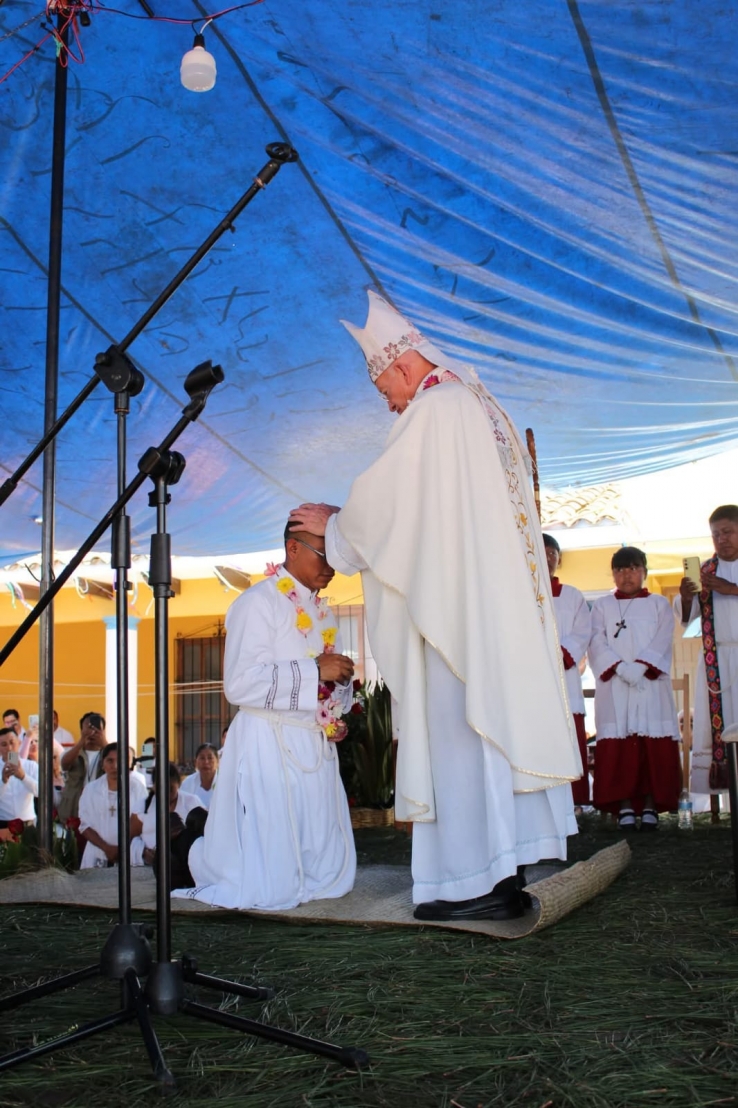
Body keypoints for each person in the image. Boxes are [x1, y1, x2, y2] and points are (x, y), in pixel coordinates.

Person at [289, 291, 580, 922]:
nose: (386, 402)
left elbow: (387, 509)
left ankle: (468, 885)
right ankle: (502, 876)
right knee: (487, 746)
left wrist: (335, 526)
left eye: (382, 388)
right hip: (491, 614)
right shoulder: (480, 404)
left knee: (460, 739)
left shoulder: (435, 410)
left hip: (458, 621)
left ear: (400, 366)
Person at [176, 524, 357, 910]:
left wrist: (334, 705)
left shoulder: (322, 611)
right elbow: (239, 685)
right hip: (268, 741)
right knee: (267, 880)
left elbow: (327, 678)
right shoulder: (256, 603)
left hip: (311, 741)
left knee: (326, 871)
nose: (332, 566)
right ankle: (187, 849)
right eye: (323, 553)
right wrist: (314, 671)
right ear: (293, 548)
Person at [588, 547, 680, 829]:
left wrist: (640, 667)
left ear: (644, 572)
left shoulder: (658, 604)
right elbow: (595, 641)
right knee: (621, 749)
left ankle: (651, 804)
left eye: (633, 568)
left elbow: (664, 638)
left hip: (649, 684)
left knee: (651, 746)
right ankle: (625, 805)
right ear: (613, 574)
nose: (626, 574)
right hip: (615, 686)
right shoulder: (602, 606)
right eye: (620, 569)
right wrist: (619, 667)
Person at [675, 505, 738, 796]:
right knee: (718, 730)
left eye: (727, 532)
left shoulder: (719, 579)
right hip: (716, 664)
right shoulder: (705, 572)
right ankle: (722, 803)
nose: (722, 539)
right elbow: (691, 623)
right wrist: (687, 598)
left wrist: (731, 588)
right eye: (716, 535)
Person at [543, 534, 593, 808]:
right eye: (542, 551)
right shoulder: (517, 591)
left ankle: (574, 802)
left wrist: (559, 655)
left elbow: (583, 631)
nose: (548, 558)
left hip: (564, 676)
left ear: (559, 559)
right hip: (533, 680)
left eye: (553, 553)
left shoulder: (572, 595)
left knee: (570, 741)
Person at [78, 743, 148, 868]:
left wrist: (122, 848)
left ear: (129, 764)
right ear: (102, 764)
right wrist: (106, 848)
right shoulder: (91, 789)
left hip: (128, 853)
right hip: (96, 853)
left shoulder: (137, 788)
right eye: (110, 761)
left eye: (120, 760)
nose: (115, 766)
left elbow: (142, 821)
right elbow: (84, 825)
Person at [130, 762, 202, 866]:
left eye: (170, 789)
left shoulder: (192, 802)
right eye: (161, 788)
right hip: (148, 867)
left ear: (179, 784)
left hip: (186, 866)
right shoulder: (142, 806)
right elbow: (130, 839)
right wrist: (143, 852)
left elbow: (204, 835)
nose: (166, 793)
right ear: (154, 787)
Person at [57, 712, 107, 823]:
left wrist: (104, 743)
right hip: (74, 807)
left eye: (97, 728)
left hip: (99, 807)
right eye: (89, 727)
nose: (93, 732)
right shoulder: (74, 752)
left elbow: (121, 765)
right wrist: (81, 742)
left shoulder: (108, 753)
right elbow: (64, 764)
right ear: (82, 730)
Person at [0, 726, 38, 827]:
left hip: (28, 821)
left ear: (19, 743)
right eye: (4, 745)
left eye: (12, 742)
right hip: (4, 823)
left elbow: (41, 792)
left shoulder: (31, 766)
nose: (9, 748)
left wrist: (23, 777)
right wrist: (3, 781)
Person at [179, 743, 218, 809]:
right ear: (196, 762)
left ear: (218, 761)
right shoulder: (187, 783)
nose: (206, 762)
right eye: (202, 758)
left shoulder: (226, 783)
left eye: (210, 758)